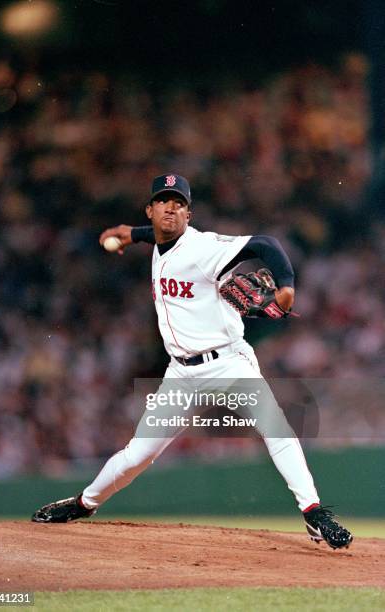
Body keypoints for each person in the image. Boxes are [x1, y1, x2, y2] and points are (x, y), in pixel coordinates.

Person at [32, 174, 352, 550]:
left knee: (275, 428)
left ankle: (313, 513)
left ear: (189, 213)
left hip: (228, 363)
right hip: (180, 374)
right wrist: (129, 234)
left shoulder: (203, 248)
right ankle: (84, 504)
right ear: (150, 210)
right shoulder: (157, 238)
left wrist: (286, 287)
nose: (172, 207)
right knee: (138, 454)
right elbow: (153, 235)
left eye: (180, 203)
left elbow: (266, 244)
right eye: (164, 201)